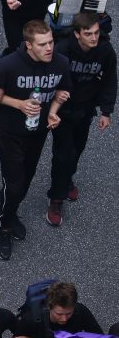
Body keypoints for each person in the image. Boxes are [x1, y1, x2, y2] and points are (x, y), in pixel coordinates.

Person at [0, 20, 71, 260]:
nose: (49, 48)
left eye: (51, 42)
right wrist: (17, 103)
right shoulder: (9, 65)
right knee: (14, 183)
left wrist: (54, 110)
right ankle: (4, 227)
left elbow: (63, 91)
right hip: (10, 133)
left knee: (26, 178)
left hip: (38, 133)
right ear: (29, 46)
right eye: (42, 44)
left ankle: (10, 213)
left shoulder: (61, 63)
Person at [46, 13, 116, 226]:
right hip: (63, 111)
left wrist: (106, 111)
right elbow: (49, 77)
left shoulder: (105, 51)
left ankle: (67, 179)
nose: (94, 38)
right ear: (77, 34)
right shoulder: (63, 51)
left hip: (85, 109)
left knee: (77, 149)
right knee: (63, 154)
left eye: (96, 33)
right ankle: (56, 198)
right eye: (88, 34)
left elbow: (110, 79)